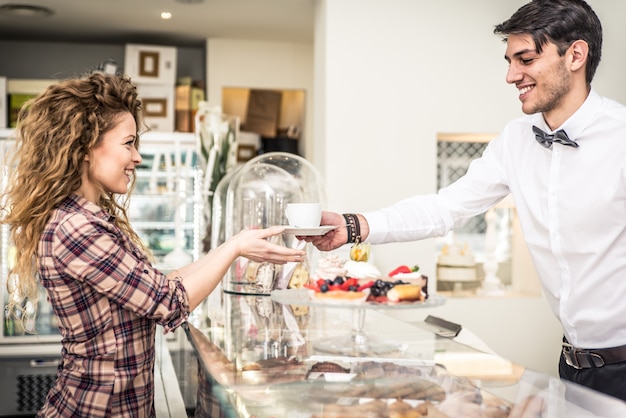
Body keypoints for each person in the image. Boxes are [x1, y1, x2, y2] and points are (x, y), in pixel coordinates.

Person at [305, 0, 626, 402]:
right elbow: (445, 208)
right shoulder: (515, 140)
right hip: (571, 365)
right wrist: (353, 226)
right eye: (509, 60)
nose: (511, 76)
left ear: (575, 55)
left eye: (525, 59)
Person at [0, 72, 305, 417]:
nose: (137, 158)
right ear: (85, 147)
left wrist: (232, 245)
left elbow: (158, 286)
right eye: (128, 143)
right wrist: (234, 248)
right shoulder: (78, 229)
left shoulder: (90, 218)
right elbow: (170, 302)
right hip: (96, 408)